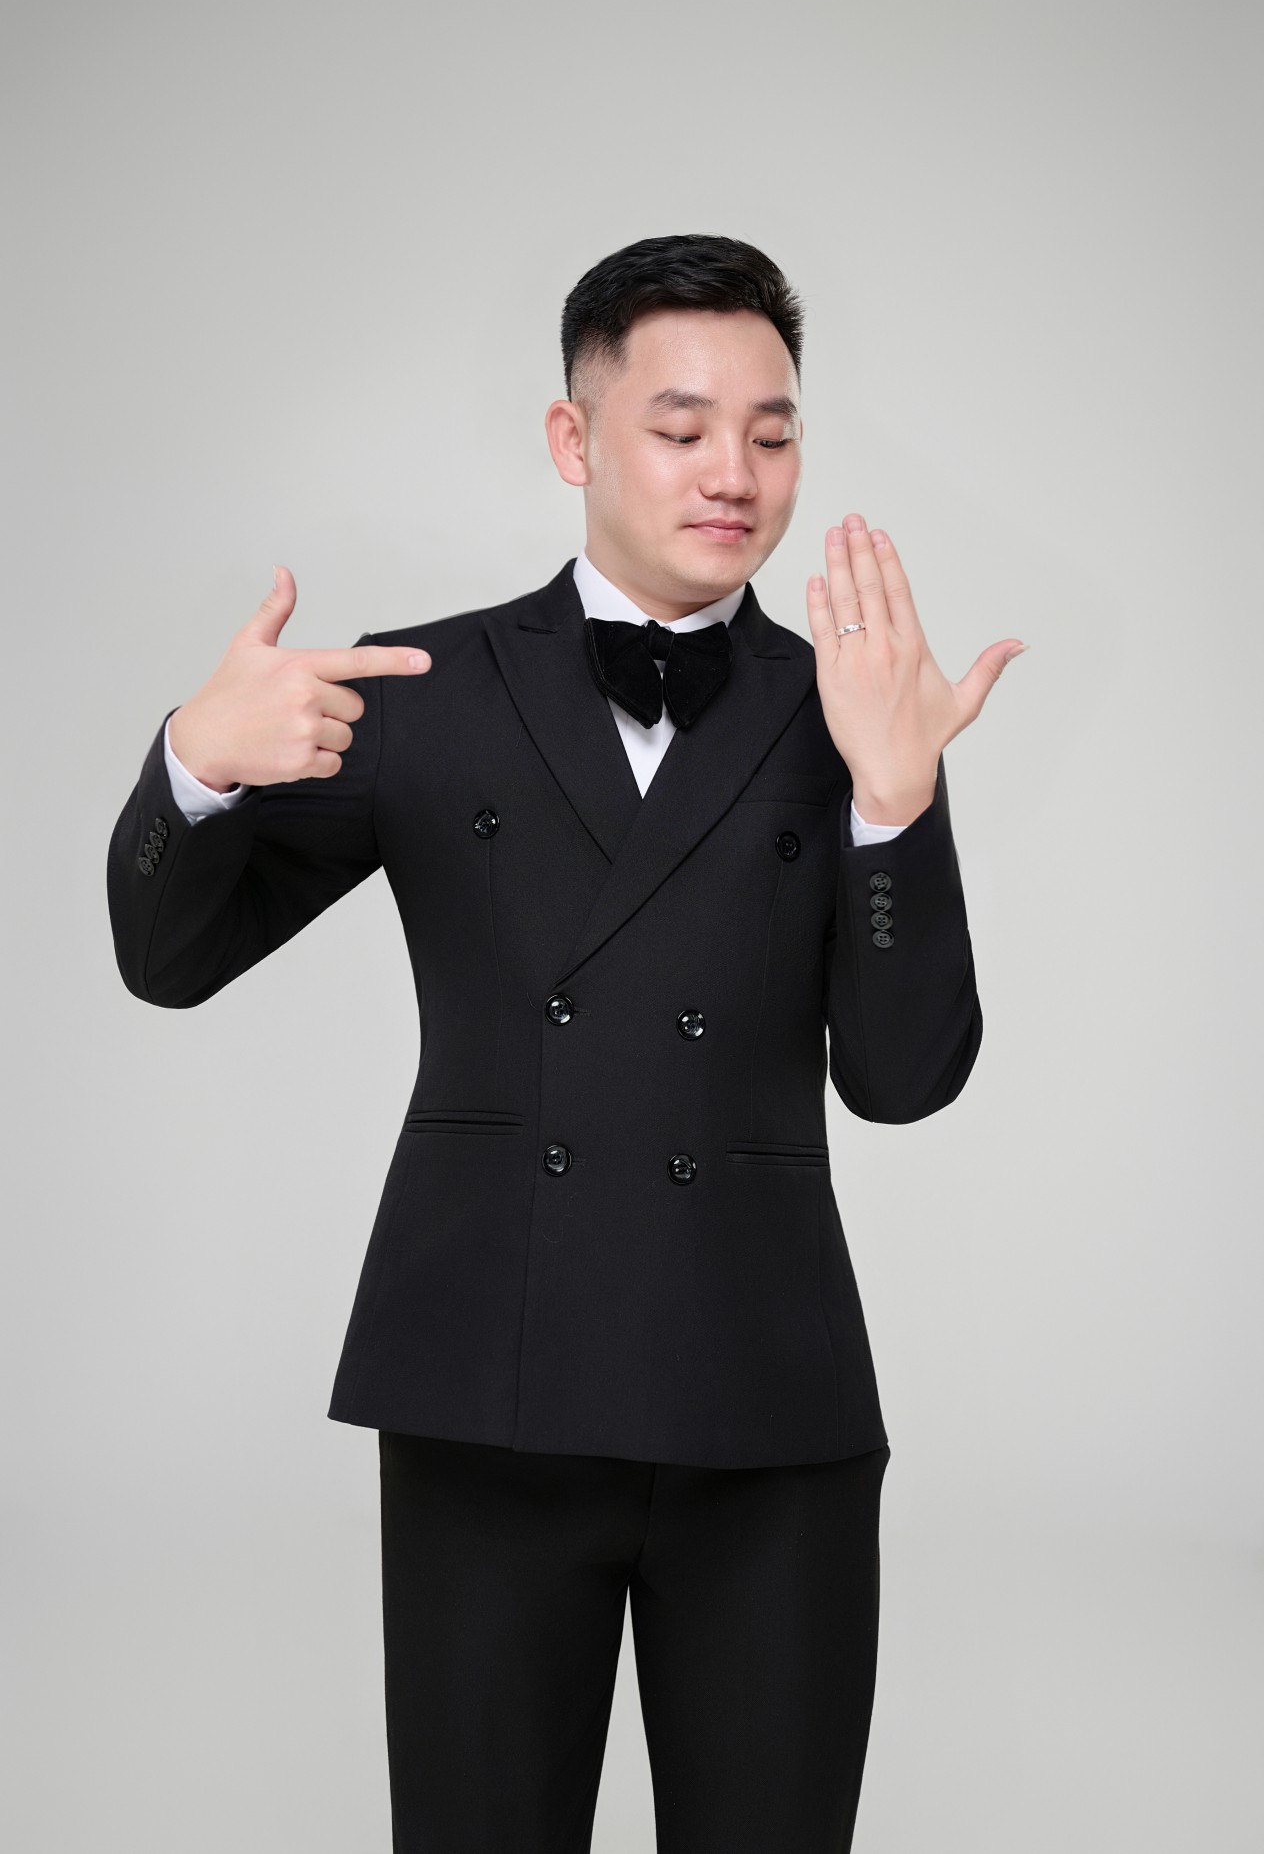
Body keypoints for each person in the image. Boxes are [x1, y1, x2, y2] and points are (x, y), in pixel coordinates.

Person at [107, 233, 1022, 1851]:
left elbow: (903, 1081)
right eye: (682, 428)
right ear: (573, 437)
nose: (733, 472)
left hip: (767, 1403)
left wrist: (897, 802)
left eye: (773, 432)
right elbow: (167, 960)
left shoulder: (851, 706)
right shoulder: (426, 688)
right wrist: (197, 761)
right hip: (486, 1387)